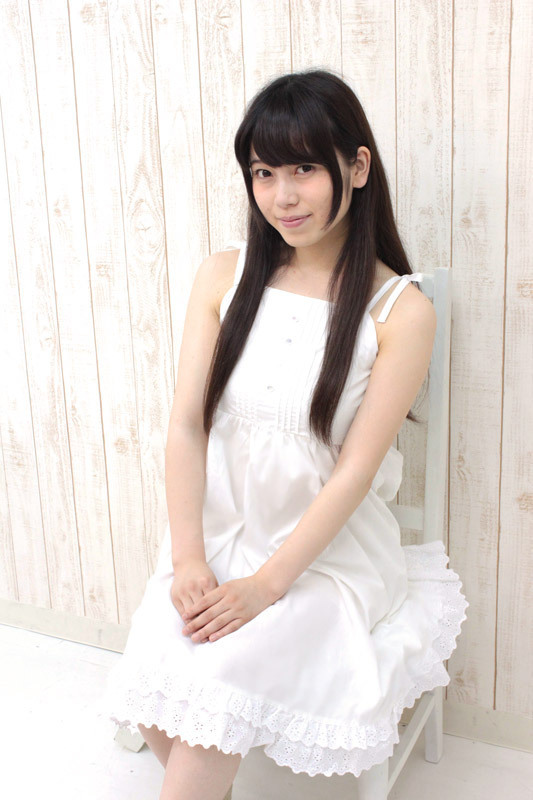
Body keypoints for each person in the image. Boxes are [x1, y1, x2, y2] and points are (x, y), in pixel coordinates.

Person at [102, 69, 468, 799]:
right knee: (155, 688)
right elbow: (185, 426)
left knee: (209, 700)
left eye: (303, 169)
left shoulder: (399, 311)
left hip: (325, 559)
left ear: (356, 167)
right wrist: (188, 558)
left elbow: (354, 473)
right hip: (219, 540)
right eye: (264, 173)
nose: (282, 196)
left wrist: (266, 588)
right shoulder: (223, 276)